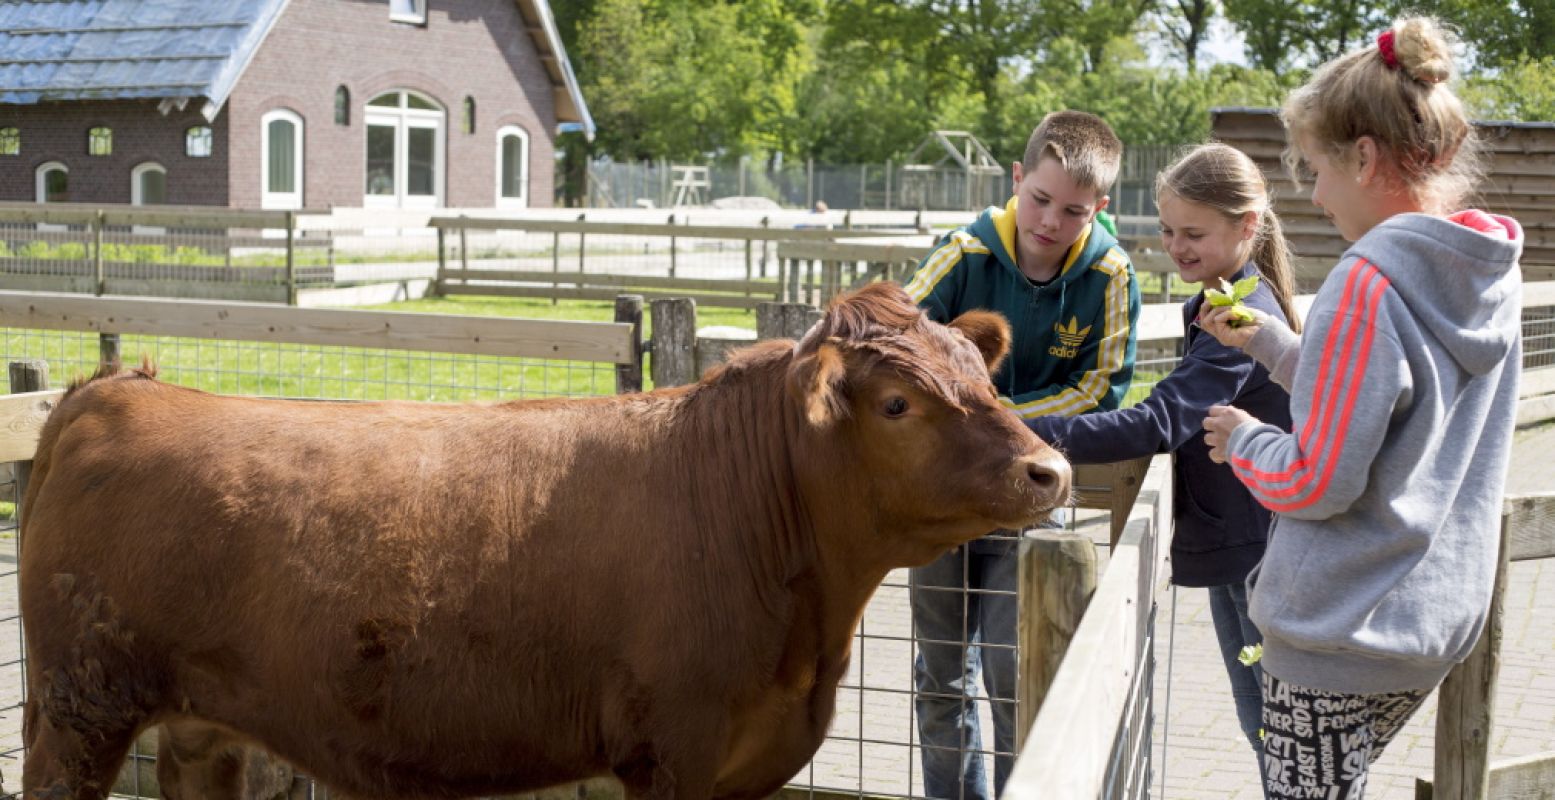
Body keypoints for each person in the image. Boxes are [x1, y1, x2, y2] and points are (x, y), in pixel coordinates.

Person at [1197, 17, 1523, 799]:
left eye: (1314, 168)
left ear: (1365, 158)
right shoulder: (1483, 276)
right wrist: (1275, 346)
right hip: (1429, 623)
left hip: (1338, 627)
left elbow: (1317, 479)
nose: (1311, 193)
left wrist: (1245, 442)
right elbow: (1391, 403)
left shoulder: (1363, 281)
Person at [1025, 142, 1302, 764]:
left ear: (1247, 226)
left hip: (1254, 545)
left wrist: (1023, 432)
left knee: (1275, 729)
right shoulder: (1219, 303)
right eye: (1169, 229)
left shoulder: (1243, 316)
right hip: (1242, 540)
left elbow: (1160, 421)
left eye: (1194, 232)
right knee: (1264, 723)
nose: (1177, 246)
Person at [902, 110, 1141, 800]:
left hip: (1033, 495)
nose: (1048, 221)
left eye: (1072, 210)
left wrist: (992, 424)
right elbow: (903, 342)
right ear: (1015, 180)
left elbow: (1099, 386)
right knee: (940, 674)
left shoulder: (1110, 274)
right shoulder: (962, 253)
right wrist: (982, 428)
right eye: (1038, 199)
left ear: (1097, 209)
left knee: (1015, 671)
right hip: (943, 492)